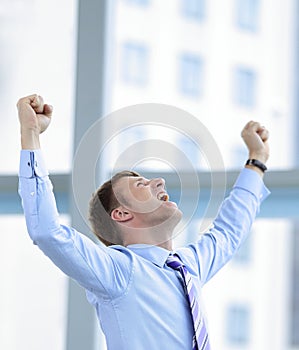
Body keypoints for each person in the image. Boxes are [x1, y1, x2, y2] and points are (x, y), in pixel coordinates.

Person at [17, 94, 270, 349]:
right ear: (122, 214)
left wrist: (256, 161)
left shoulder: (188, 266)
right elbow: (48, 232)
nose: (159, 181)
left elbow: (229, 231)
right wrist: (31, 135)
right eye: (142, 184)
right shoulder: (118, 270)